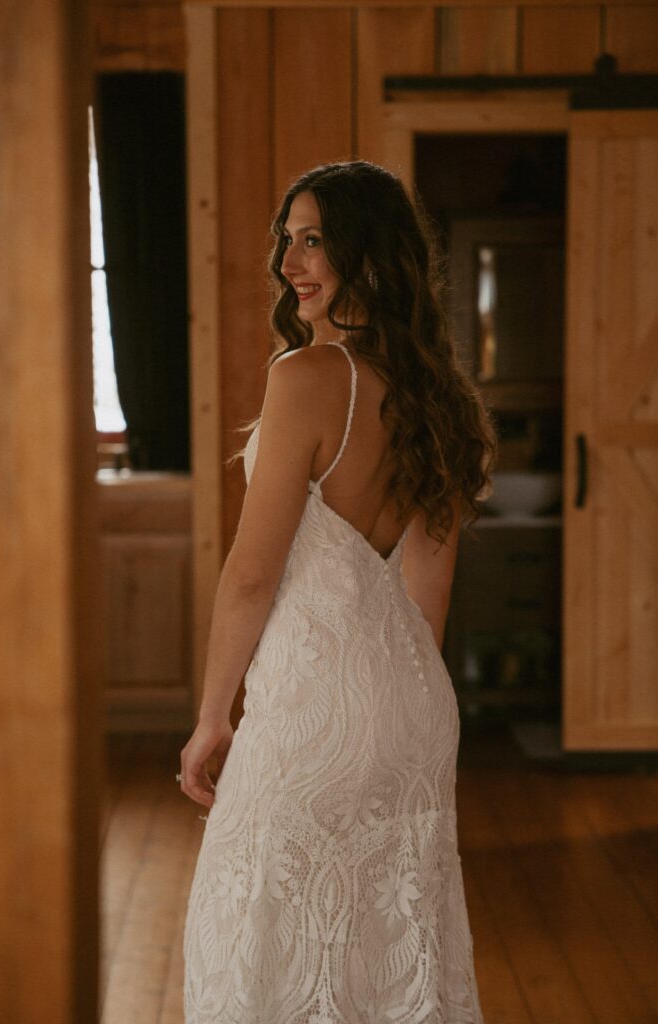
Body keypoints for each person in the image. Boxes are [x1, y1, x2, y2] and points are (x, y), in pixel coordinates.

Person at [179, 160, 495, 1023]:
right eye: (287, 240)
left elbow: (251, 573)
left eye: (314, 239)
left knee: (260, 941)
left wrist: (214, 715)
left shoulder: (309, 377)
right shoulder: (444, 398)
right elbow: (424, 604)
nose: (290, 262)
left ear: (370, 251)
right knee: (390, 951)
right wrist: (390, 710)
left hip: (314, 714)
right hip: (413, 712)